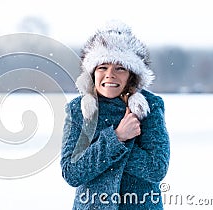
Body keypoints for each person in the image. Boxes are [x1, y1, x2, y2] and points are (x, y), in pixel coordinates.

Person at [60, 20, 170, 209]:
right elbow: (72, 172)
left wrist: (99, 155)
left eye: (120, 68)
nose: (110, 74)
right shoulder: (78, 110)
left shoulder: (149, 107)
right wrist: (117, 138)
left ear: (132, 75)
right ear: (93, 73)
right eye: (102, 67)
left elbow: (156, 169)